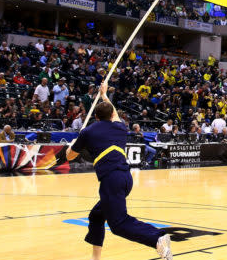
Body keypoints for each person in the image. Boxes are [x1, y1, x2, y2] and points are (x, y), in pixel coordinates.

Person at [66, 83, 173, 260]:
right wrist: (104, 95)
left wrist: (71, 146)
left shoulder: (88, 131)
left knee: (118, 224)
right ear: (111, 115)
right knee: (96, 216)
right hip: (125, 179)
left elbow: (70, 157)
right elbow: (114, 112)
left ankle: (157, 239)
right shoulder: (120, 127)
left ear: (96, 117)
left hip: (111, 180)